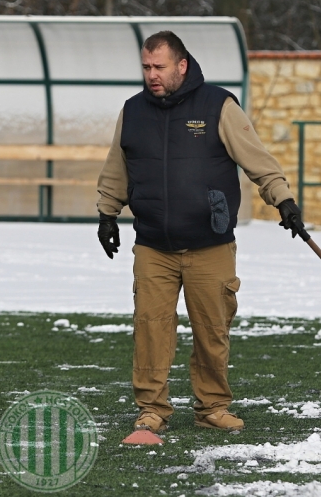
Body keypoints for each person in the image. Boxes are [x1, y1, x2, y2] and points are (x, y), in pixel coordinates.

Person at [96, 31, 305, 433]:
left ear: (181, 65)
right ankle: (152, 409)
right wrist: (107, 214)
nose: (151, 75)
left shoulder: (218, 105)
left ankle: (212, 408)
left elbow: (256, 159)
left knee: (212, 329)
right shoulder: (133, 111)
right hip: (154, 244)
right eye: (146, 67)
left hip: (210, 242)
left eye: (158, 67)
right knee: (151, 329)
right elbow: (117, 166)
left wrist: (283, 200)